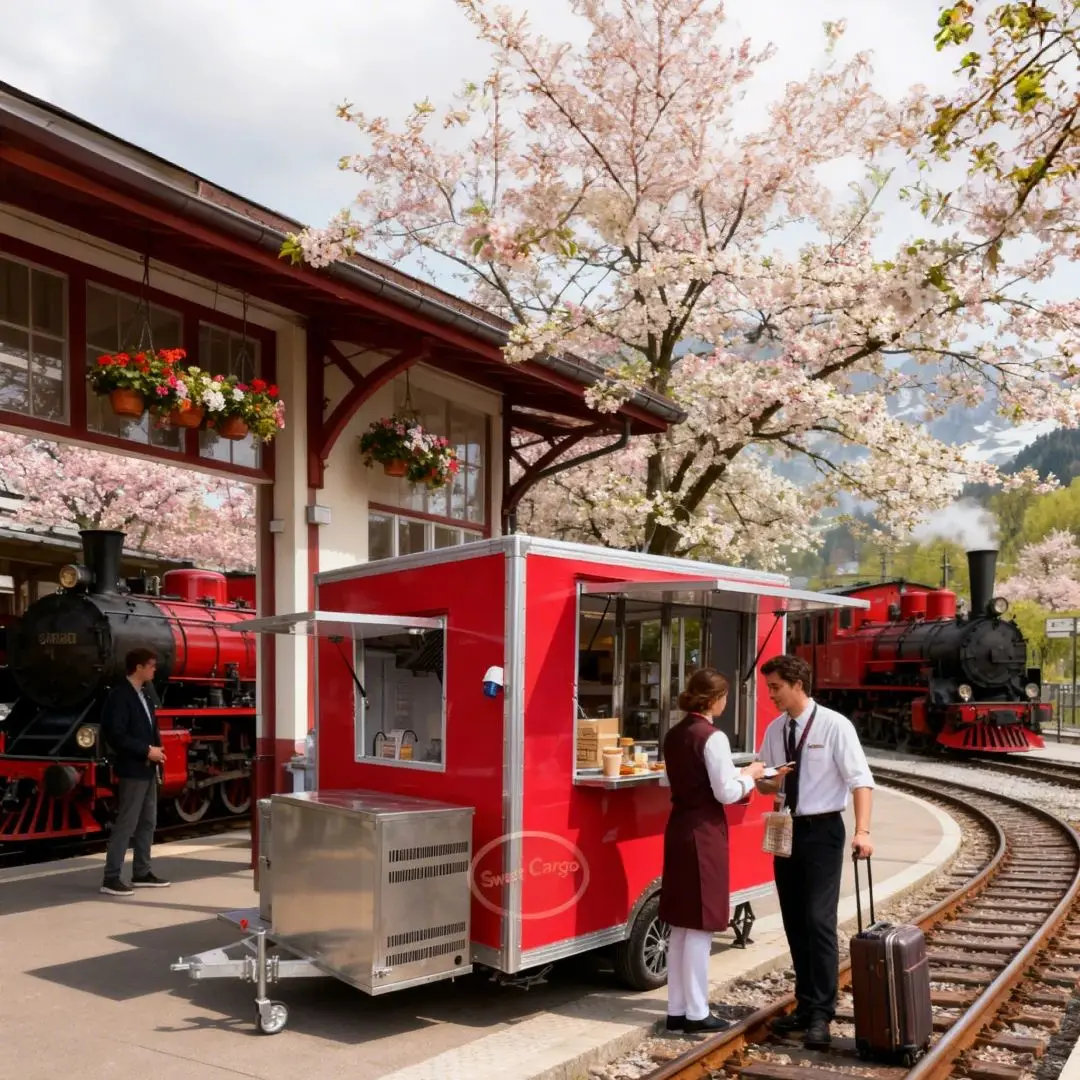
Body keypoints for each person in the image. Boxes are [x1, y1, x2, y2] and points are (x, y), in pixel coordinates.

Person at [755, 654, 874, 1050]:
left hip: (823, 831)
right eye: (769, 688)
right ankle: (806, 1005)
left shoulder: (835, 725)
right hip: (785, 829)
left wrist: (863, 831)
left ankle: (822, 1012)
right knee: (794, 920)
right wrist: (767, 780)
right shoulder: (775, 730)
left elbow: (860, 780)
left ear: (797, 685)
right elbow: (767, 784)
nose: (771, 695)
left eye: (775, 687)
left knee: (818, 920)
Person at [659, 668, 766, 1034]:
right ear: (716, 699)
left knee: (680, 923)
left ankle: (677, 1010)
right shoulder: (713, 737)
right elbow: (726, 792)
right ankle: (696, 1012)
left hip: (679, 827)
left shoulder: (674, 734)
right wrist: (751, 776)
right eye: (725, 697)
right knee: (702, 923)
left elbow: (670, 779)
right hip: (703, 832)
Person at [100, 647, 171, 896]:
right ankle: (111, 877)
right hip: (133, 767)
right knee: (127, 823)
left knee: (148, 821)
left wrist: (156, 752)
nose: (155, 669)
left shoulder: (145, 695)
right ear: (138, 667)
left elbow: (150, 729)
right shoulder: (120, 696)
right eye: (151, 665)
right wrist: (146, 750)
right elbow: (115, 734)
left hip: (148, 767)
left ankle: (142, 872)